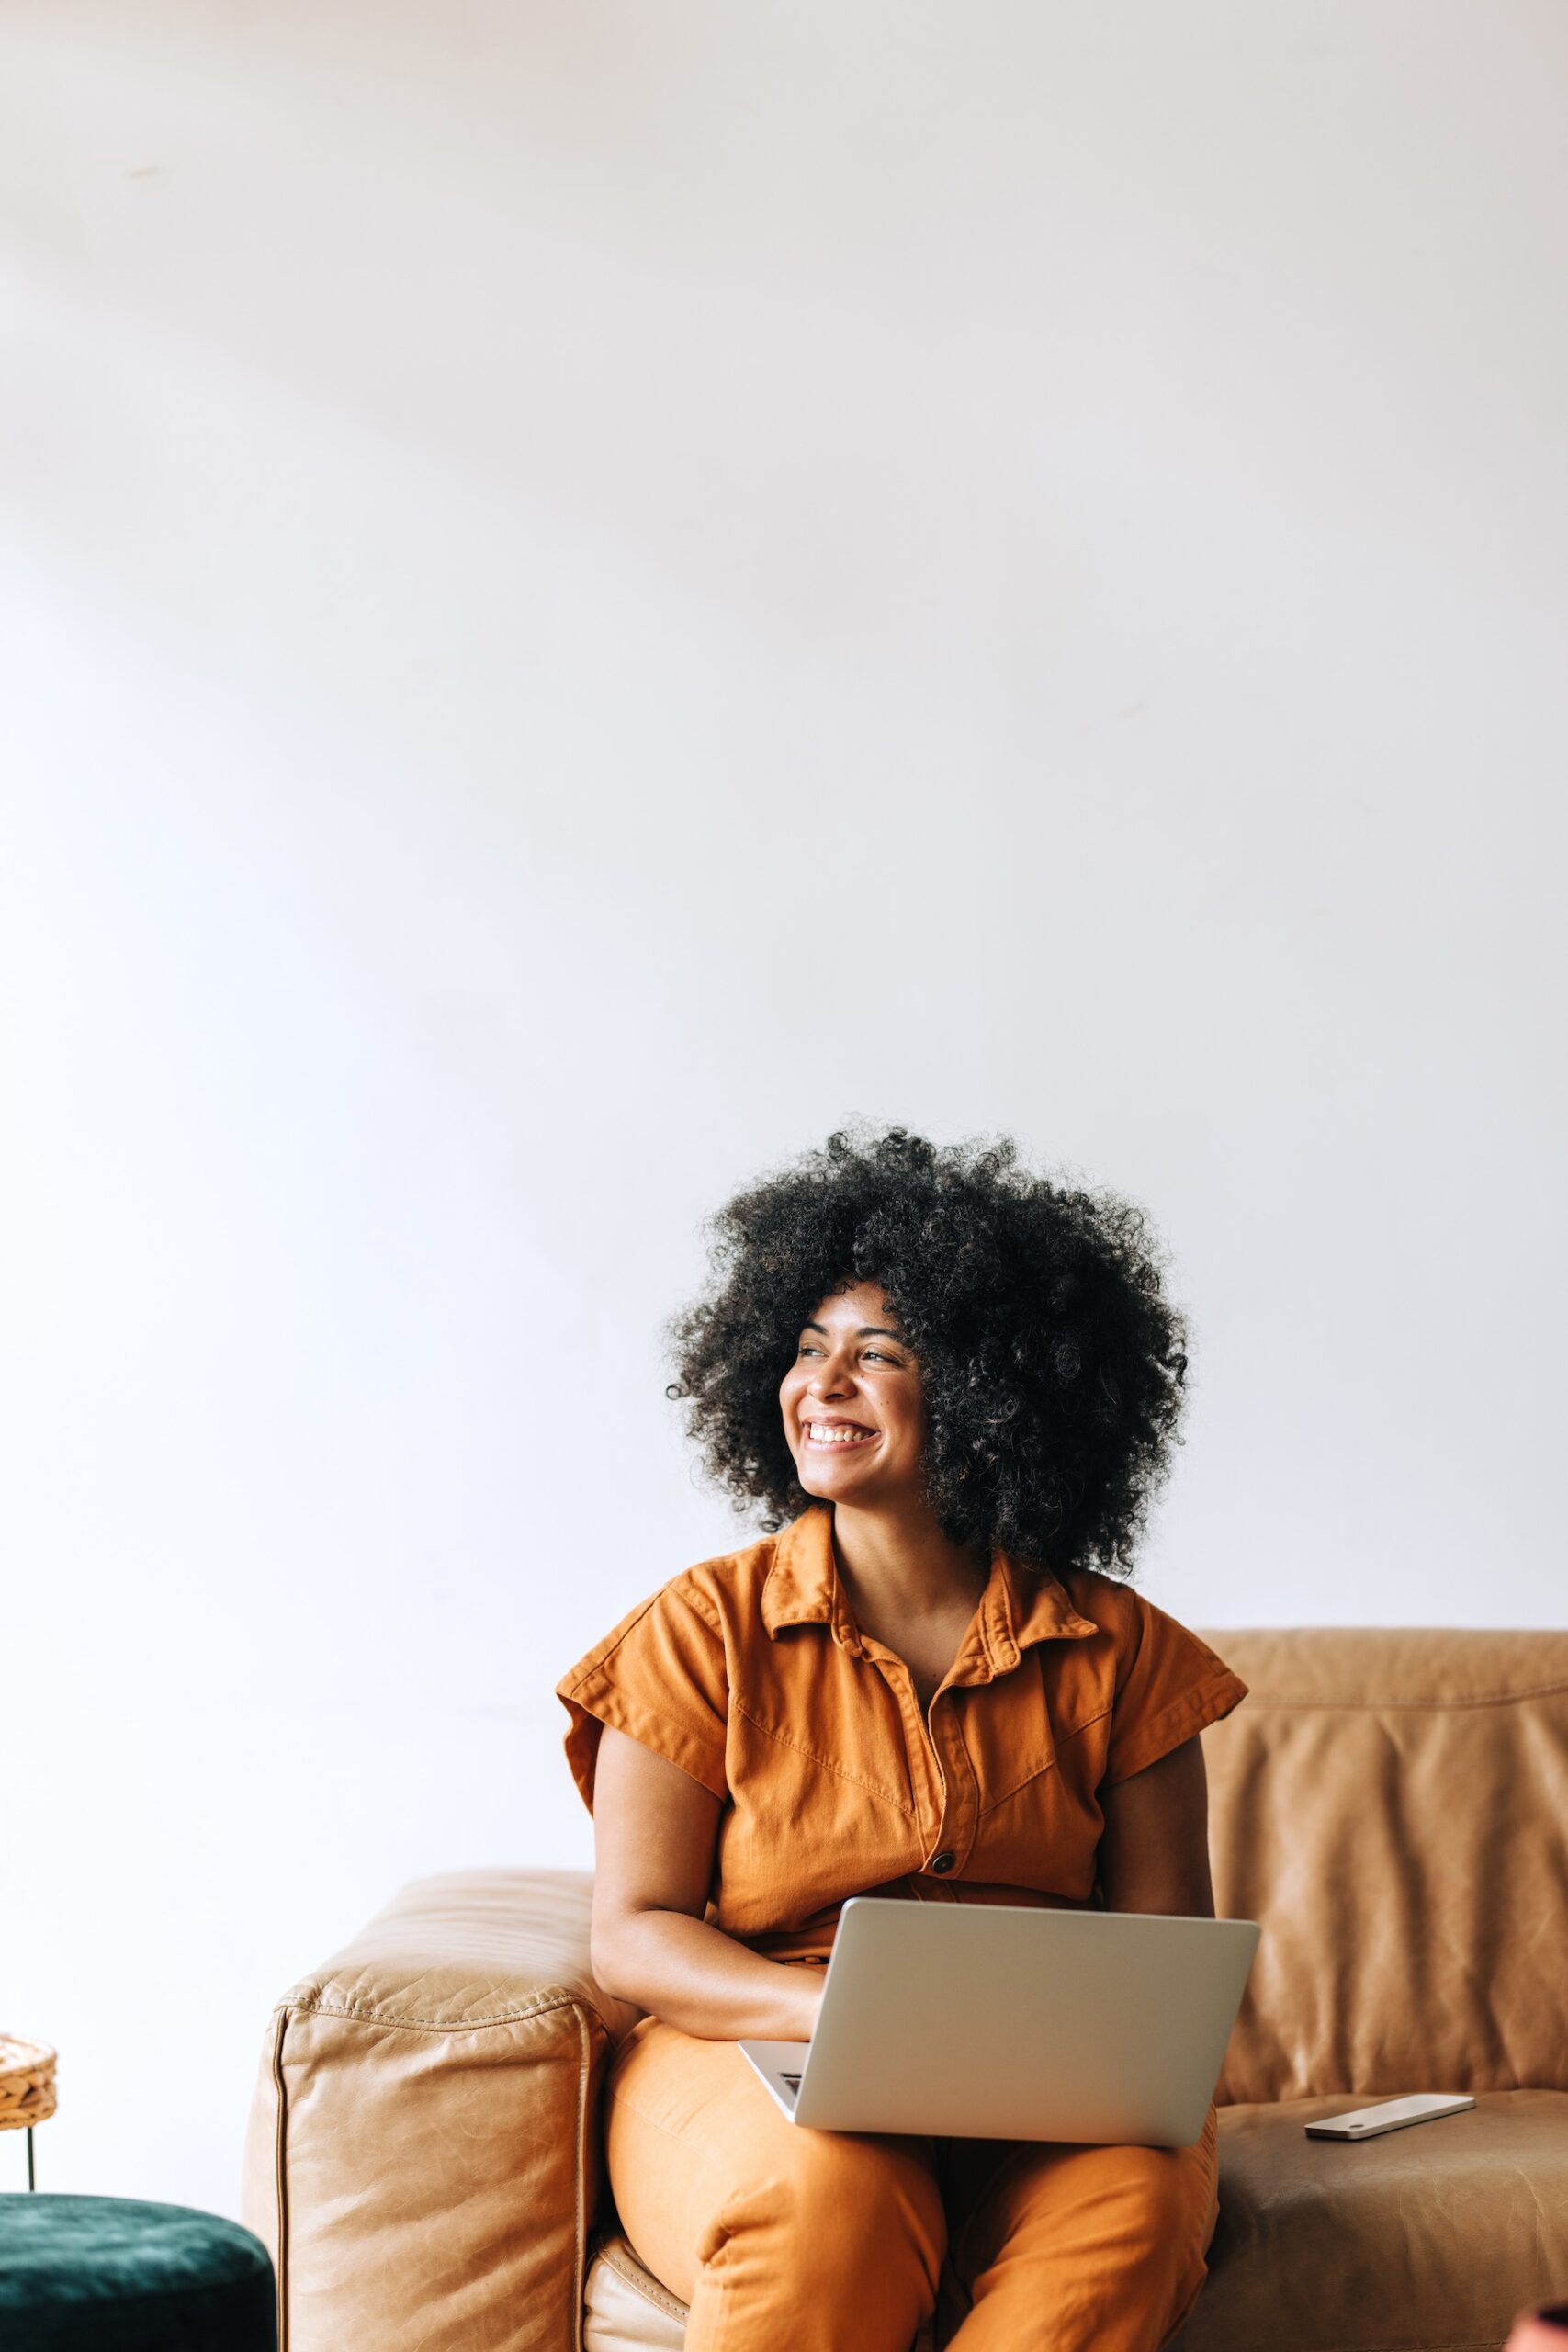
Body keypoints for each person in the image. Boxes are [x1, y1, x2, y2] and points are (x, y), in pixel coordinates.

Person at [556, 1125, 1247, 2352]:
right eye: (808, 1350)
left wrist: (1003, 2044)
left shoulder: (1127, 1652)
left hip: (1044, 2081)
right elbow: (633, 1937)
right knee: (832, 2197)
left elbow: (1165, 1968)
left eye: (878, 1356)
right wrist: (829, 2019)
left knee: (1131, 2211)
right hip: (757, 2048)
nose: (823, 1385)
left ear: (993, 1396)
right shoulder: (699, 1629)